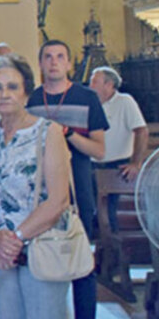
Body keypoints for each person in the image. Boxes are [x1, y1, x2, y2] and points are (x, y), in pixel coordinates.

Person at [0, 54, 71, 319]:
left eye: (12, 87)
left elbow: (59, 200)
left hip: (40, 247)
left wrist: (16, 239)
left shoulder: (48, 132)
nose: (4, 94)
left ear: (26, 91)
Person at [27, 40, 107, 319]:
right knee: (43, 255)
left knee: (79, 256)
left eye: (60, 56)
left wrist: (68, 134)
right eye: (48, 57)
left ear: (69, 63)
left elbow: (99, 149)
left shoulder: (87, 98)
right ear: (40, 63)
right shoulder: (33, 100)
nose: (54, 62)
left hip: (78, 186)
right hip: (39, 191)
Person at [90, 66, 148, 232]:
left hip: (117, 166)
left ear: (109, 85)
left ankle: (114, 250)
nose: (90, 85)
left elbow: (141, 131)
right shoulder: (90, 103)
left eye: (95, 82)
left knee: (110, 213)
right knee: (91, 212)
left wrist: (136, 163)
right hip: (92, 164)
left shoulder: (125, 101)